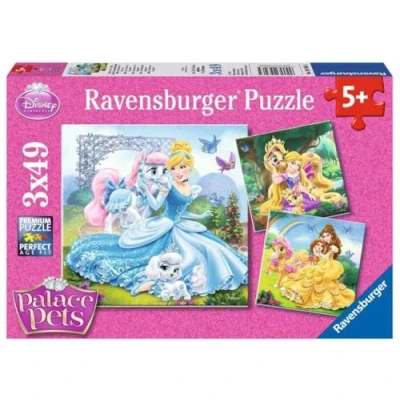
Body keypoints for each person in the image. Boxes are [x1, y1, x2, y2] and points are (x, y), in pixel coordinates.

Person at [66, 140, 248, 299]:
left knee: (211, 247)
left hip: (181, 225)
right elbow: (155, 205)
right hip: (165, 225)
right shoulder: (167, 186)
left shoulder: (190, 189)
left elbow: (183, 212)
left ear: (189, 168)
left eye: (182, 167)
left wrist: (200, 216)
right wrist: (146, 190)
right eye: (173, 168)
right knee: (188, 254)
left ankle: (222, 274)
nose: (178, 171)